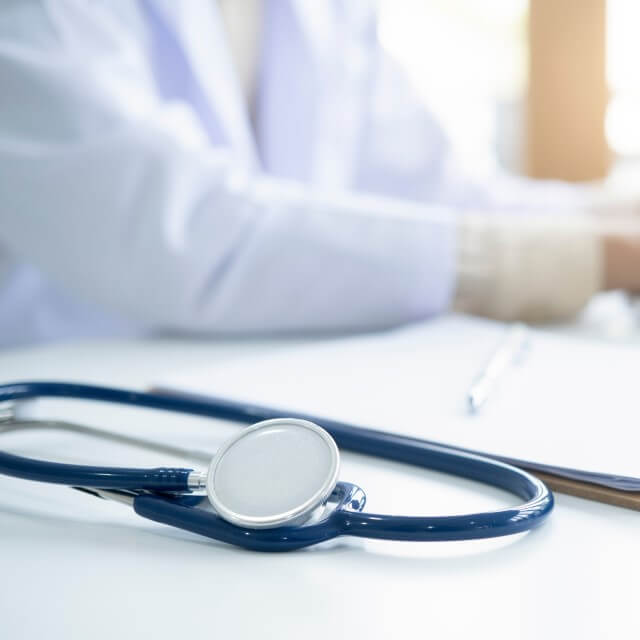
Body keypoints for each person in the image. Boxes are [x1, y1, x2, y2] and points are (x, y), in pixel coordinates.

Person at [0, 0, 638, 347]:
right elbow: (176, 235)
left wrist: (609, 213)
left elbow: (426, 188)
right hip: (68, 407)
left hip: (255, 388)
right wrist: (589, 258)